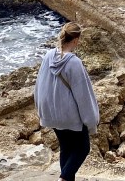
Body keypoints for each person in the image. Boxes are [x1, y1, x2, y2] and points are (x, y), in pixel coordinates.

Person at [34, 22, 100, 181]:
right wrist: (91, 122)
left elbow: (39, 84)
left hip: (51, 114)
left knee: (66, 148)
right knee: (83, 149)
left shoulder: (49, 56)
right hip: (70, 117)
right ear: (76, 40)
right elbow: (83, 96)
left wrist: (41, 110)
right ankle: (63, 179)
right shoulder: (74, 63)